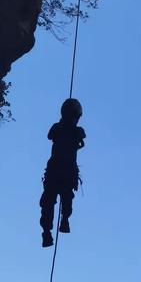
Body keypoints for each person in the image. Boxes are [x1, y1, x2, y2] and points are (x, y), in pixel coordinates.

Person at [39, 98, 86, 247]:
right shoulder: (77, 131)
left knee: (48, 201)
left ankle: (47, 232)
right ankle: (64, 220)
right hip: (66, 170)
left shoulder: (57, 128)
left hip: (55, 170)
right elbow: (81, 140)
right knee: (66, 197)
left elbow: (50, 136)